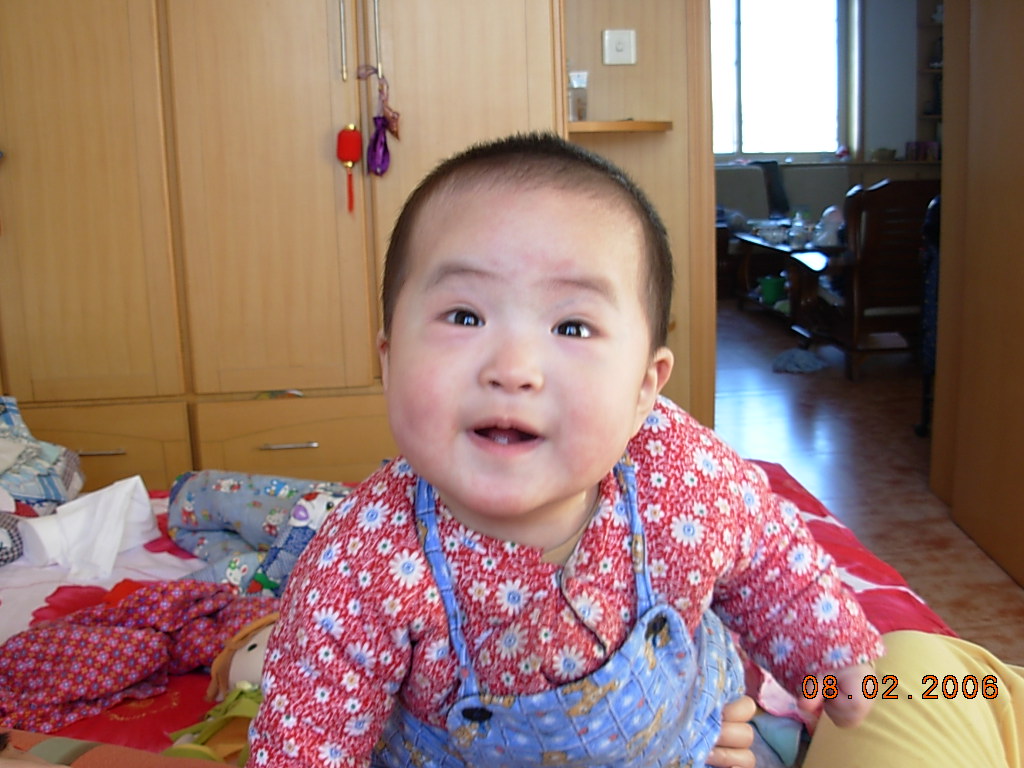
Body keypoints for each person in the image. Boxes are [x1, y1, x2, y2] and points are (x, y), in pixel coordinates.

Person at [245, 133, 883, 768]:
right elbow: (306, 737)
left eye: (572, 327)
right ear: (389, 360)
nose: (513, 369)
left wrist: (835, 658)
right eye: (465, 316)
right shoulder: (359, 565)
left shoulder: (680, 473)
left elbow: (768, 557)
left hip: (685, 733)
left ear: (644, 390)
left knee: (893, 699)